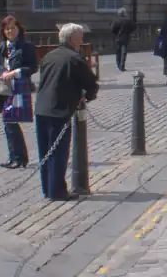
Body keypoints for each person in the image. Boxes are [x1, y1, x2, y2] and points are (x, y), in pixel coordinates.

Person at [35, 23, 99, 201]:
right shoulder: (75, 58)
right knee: (58, 152)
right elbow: (90, 82)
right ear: (72, 39)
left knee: (45, 151)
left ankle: (48, 188)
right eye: (80, 36)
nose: (83, 39)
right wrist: (89, 96)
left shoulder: (49, 56)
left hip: (41, 108)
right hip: (59, 109)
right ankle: (57, 191)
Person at [0, 16, 37, 169]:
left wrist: (15, 72)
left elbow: (33, 67)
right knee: (9, 123)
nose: (10, 31)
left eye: (13, 28)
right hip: (4, 89)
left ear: (19, 29)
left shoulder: (26, 46)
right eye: (7, 28)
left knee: (11, 122)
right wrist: (2, 70)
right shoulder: (3, 46)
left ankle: (18, 157)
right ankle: (16, 157)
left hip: (19, 88)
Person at [110, 7, 135, 72]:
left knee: (118, 52)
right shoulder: (128, 20)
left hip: (118, 38)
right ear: (124, 13)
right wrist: (128, 32)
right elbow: (133, 28)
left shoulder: (116, 20)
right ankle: (122, 66)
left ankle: (119, 65)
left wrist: (116, 33)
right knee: (124, 52)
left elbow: (112, 30)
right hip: (125, 38)